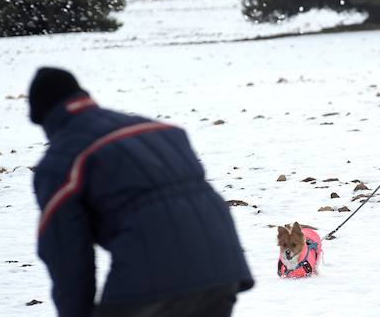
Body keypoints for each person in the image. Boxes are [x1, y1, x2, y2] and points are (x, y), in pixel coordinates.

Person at [28, 67, 254, 317]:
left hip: (153, 284)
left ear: (42, 117)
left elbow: (67, 257)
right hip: (223, 269)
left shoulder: (61, 161)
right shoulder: (156, 129)